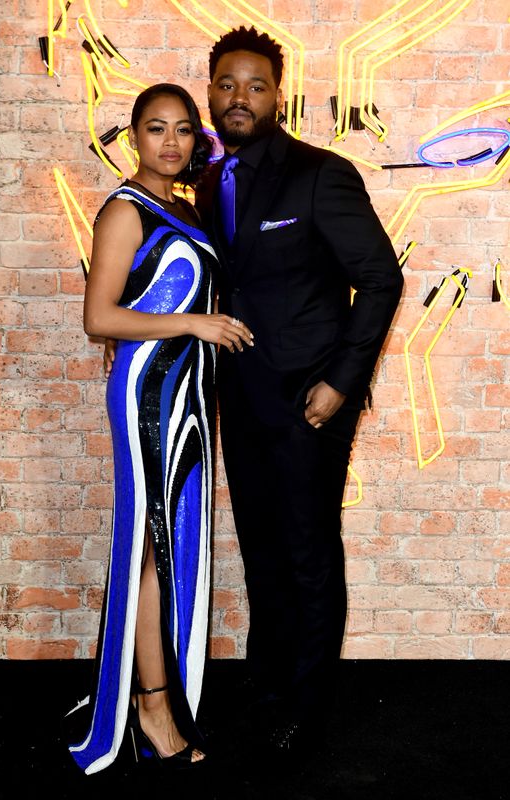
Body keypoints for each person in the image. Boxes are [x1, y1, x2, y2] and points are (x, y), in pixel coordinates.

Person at [193, 26, 404, 755]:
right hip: (240, 398)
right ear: (210, 90)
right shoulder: (203, 179)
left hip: (311, 403)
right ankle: (270, 683)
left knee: (310, 551)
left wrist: (341, 386)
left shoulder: (322, 173)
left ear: (278, 95)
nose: (238, 97)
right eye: (226, 84)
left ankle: (306, 712)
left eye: (255, 85)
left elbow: (382, 278)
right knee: (261, 550)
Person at [65, 82, 253, 776]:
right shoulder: (124, 210)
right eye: (155, 129)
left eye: (181, 131)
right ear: (135, 137)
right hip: (149, 391)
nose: (169, 143)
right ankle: (149, 707)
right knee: (147, 547)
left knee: (170, 544)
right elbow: (98, 318)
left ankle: (156, 697)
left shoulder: (186, 207)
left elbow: (160, 292)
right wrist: (190, 324)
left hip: (191, 391)